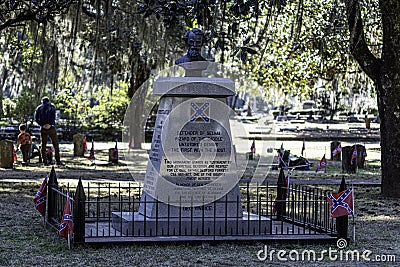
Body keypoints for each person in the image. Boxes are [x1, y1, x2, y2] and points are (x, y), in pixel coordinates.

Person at [34, 96, 64, 166]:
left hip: (44, 127)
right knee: (55, 144)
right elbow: (54, 117)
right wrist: (50, 124)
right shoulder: (52, 107)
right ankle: (57, 160)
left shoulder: (39, 108)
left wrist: (42, 125)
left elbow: (36, 118)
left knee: (43, 145)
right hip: (50, 127)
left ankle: (45, 161)